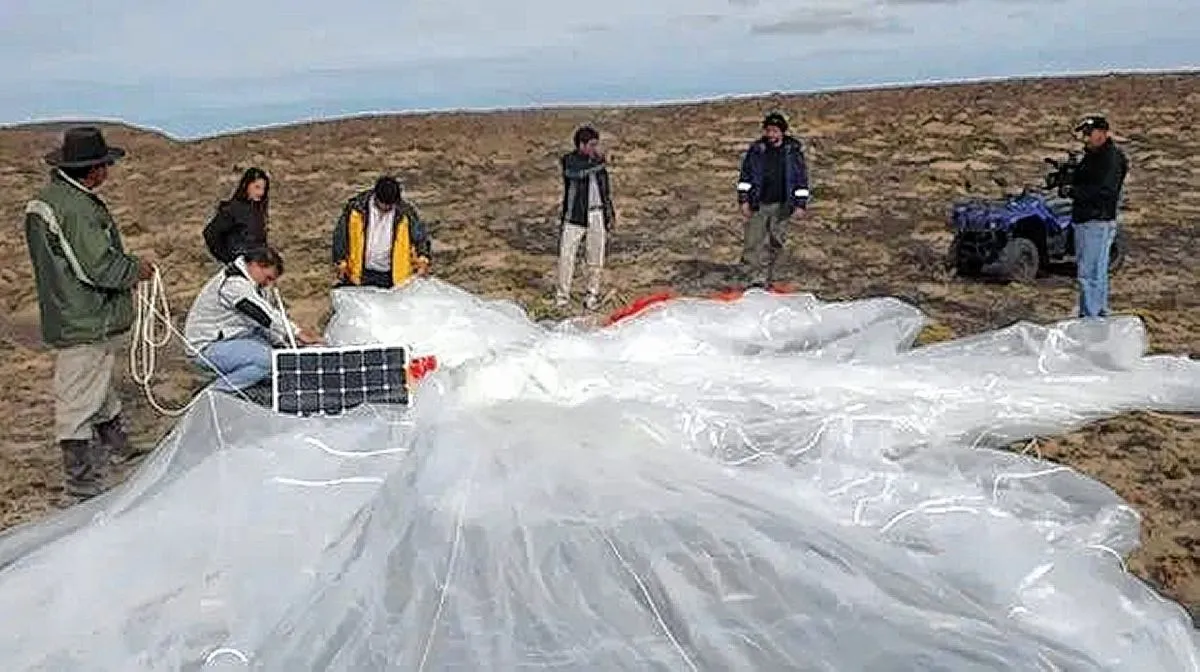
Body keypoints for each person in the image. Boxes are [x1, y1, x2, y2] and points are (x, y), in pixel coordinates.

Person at [22, 126, 155, 500]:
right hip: (83, 315)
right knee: (78, 393)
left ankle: (117, 443)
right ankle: (80, 481)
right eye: (104, 166)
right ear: (92, 169)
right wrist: (133, 270)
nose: (107, 173)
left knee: (97, 381)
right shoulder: (75, 209)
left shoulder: (57, 200)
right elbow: (96, 264)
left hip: (75, 311)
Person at [183, 246, 323, 402]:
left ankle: (246, 385)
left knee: (279, 357)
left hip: (233, 337)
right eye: (268, 278)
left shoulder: (252, 283)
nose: (268, 283)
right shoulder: (233, 285)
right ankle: (212, 395)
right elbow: (264, 316)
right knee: (270, 361)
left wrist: (285, 343)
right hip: (207, 346)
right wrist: (297, 333)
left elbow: (260, 325)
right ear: (256, 265)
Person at [736, 112, 811, 288]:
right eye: (768, 131)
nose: (771, 135)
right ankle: (747, 279)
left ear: (782, 132)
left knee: (778, 243)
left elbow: (801, 179)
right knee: (752, 242)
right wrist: (743, 201)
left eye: (775, 131)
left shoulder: (792, 151)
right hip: (759, 204)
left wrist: (800, 204)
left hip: (783, 205)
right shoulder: (756, 150)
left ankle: (775, 280)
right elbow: (745, 177)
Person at [1069, 115, 1128, 318]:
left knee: (1090, 272)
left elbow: (1106, 191)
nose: (1085, 138)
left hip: (1096, 219)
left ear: (1102, 133)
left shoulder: (1110, 158)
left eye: (1089, 133)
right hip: (1089, 219)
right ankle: (1096, 312)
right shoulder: (1094, 157)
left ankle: (1091, 315)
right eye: (1084, 134)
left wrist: (1075, 192)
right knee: (1096, 270)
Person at [331, 175, 431, 288]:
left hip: (392, 277)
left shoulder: (406, 213)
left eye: (390, 206)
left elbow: (420, 238)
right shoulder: (356, 209)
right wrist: (340, 261)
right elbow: (341, 236)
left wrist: (423, 259)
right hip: (359, 274)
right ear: (376, 197)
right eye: (383, 205)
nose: (386, 208)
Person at [556, 125, 616, 310]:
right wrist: (600, 164)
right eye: (591, 144)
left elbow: (605, 191)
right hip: (575, 215)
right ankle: (562, 297)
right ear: (581, 145)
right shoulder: (569, 160)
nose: (594, 148)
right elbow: (577, 173)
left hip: (597, 213)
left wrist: (609, 213)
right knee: (567, 255)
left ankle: (592, 294)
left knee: (595, 257)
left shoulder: (597, 163)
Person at [203, 167, 271, 264]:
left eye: (263, 189)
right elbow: (211, 233)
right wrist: (227, 258)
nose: (261, 193)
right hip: (238, 266)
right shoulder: (233, 209)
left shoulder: (258, 211)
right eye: (257, 187)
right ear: (246, 185)